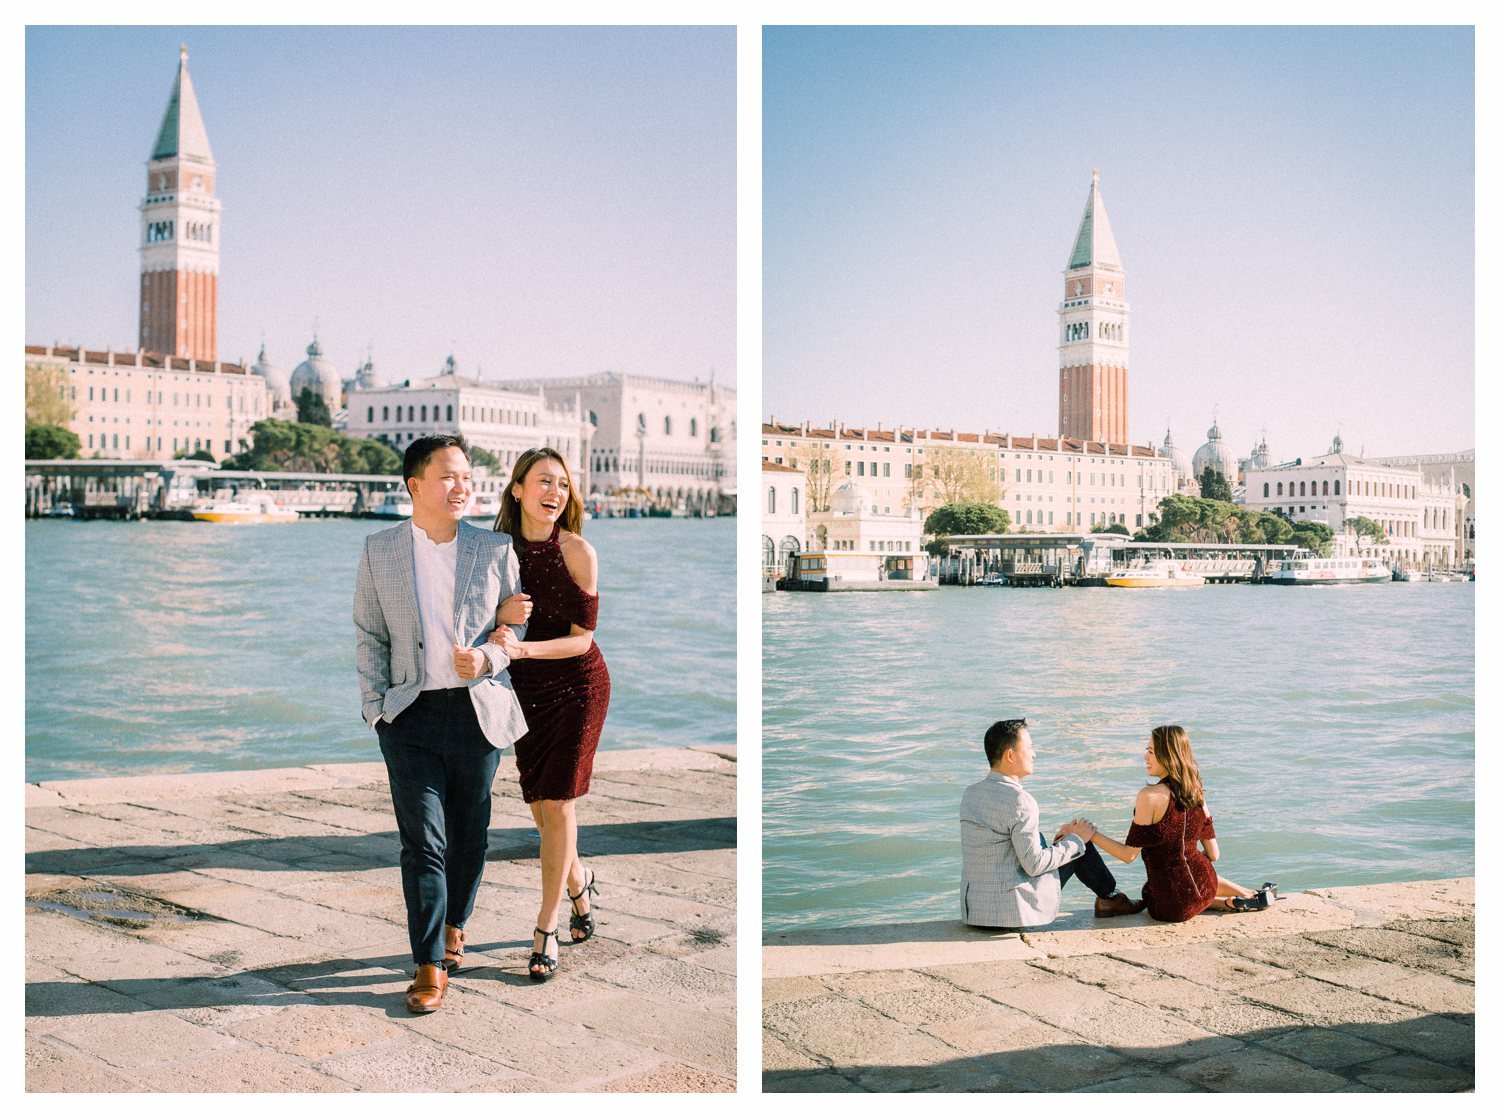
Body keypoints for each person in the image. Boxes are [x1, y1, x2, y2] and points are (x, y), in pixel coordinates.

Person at [353, 434, 528, 1014]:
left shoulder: (495, 547)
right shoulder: (379, 549)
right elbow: (369, 633)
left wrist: (489, 657)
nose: (461, 488)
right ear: (415, 486)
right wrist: (376, 707)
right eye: (449, 477)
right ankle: (428, 963)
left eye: (468, 478)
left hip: (477, 711)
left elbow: (513, 630)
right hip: (408, 713)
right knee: (422, 843)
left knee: (469, 837)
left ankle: (457, 921)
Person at [490, 447, 610, 982]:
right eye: (543, 482)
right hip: (524, 689)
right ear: (517, 489)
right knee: (542, 809)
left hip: (577, 685)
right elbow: (472, 615)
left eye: (562, 484)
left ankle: (546, 928)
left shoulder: (578, 551)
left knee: (558, 805)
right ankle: (580, 884)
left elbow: (582, 642)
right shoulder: (496, 551)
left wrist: (522, 651)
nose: (554, 493)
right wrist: (499, 618)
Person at [960, 718, 1141, 929]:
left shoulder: (970, 795)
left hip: (975, 912)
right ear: (1010, 755)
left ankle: (1109, 896)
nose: (1034, 753)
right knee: (1081, 846)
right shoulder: (1019, 800)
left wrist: (1061, 845)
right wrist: (1075, 841)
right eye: (1029, 747)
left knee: (1061, 841)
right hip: (1012, 913)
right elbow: (1034, 864)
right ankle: (1110, 898)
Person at [1085, 725, 1276, 921]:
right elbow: (1214, 854)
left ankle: (1229, 900)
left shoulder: (1149, 796)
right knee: (1192, 873)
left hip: (1169, 908)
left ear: (1168, 755)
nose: (1145, 756)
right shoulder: (1196, 792)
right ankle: (1243, 895)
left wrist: (1090, 833)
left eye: (1151, 751)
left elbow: (1128, 855)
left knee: (1153, 889)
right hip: (1206, 888)